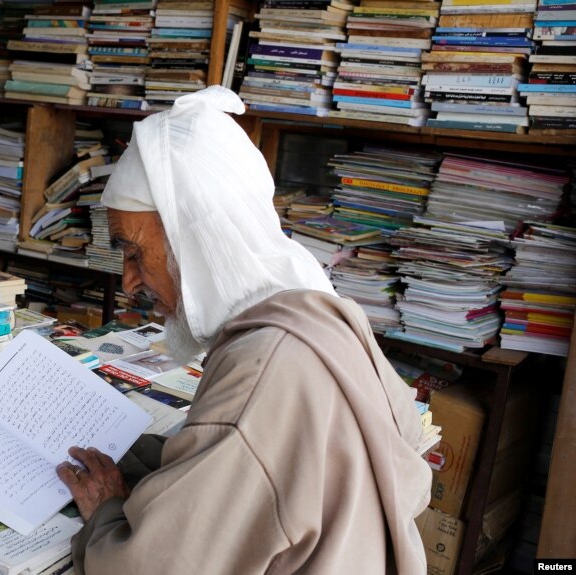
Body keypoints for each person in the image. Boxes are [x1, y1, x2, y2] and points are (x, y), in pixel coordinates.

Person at [54, 86, 432, 574]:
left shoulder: (264, 364)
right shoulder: (320, 311)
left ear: (195, 241)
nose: (128, 281)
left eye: (133, 252)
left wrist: (106, 512)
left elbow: (149, 567)